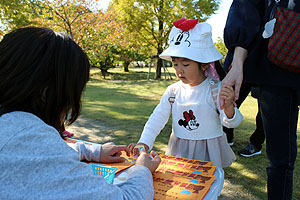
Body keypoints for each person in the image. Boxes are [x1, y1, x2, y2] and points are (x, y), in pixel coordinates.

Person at [0, 27, 161, 199]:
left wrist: (93, 151)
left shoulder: (12, 126)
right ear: (47, 92)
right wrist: (142, 169)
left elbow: (32, 154)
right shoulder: (26, 135)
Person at [129, 18, 243, 168]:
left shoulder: (216, 89)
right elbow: (157, 118)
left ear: (203, 64)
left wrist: (228, 108)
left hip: (208, 152)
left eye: (186, 64)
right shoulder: (173, 91)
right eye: (175, 64)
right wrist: (144, 142)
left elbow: (233, 122)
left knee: (206, 187)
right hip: (179, 150)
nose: (179, 70)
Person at [222, 0, 300, 199]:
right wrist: (237, 63)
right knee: (280, 161)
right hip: (277, 68)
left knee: (281, 162)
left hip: (277, 71)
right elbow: (247, 8)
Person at [223, 52, 265, 157]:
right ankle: (227, 137)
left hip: (264, 67)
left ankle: (255, 144)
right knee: (231, 102)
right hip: (243, 66)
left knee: (264, 110)